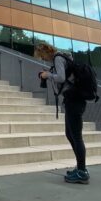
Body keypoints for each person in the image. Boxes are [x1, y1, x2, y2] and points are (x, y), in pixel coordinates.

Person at [38, 44, 90, 184]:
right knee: (70, 134)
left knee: (76, 136)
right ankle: (80, 167)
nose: (42, 58)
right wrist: (49, 73)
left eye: (42, 55)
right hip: (72, 99)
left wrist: (47, 75)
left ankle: (82, 171)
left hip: (74, 100)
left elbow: (61, 78)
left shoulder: (58, 58)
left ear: (46, 52)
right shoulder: (61, 58)